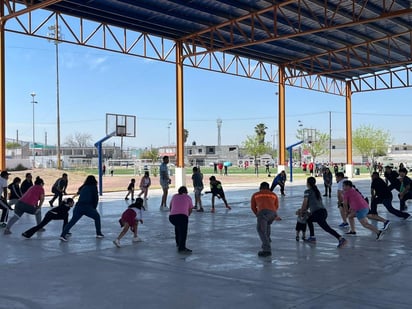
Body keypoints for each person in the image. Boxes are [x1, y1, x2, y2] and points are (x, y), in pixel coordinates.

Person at [300, 177, 347, 248]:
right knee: (309, 219)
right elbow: (310, 204)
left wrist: (301, 211)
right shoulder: (316, 191)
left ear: (308, 183)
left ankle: (341, 238)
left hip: (318, 213)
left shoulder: (307, 191)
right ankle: (312, 237)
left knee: (326, 228)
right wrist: (304, 211)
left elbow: (305, 204)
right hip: (323, 212)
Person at [59, 175, 104, 241]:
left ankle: (63, 235)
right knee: (97, 217)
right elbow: (95, 198)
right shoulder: (93, 187)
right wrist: (94, 207)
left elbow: (78, 192)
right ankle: (99, 233)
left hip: (78, 207)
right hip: (87, 207)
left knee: (72, 221)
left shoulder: (84, 187)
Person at [251, 182, 281, 257]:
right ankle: (267, 240)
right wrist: (273, 213)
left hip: (263, 212)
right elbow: (276, 206)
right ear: (268, 188)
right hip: (273, 213)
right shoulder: (273, 195)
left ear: (260, 187)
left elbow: (253, 207)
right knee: (267, 225)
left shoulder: (256, 194)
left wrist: (257, 214)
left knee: (260, 230)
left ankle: (267, 250)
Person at [169, 186, 193, 253]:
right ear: (186, 192)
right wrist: (187, 215)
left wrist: (173, 213)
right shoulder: (188, 197)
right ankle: (182, 248)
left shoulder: (174, 196)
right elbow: (190, 209)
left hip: (172, 217)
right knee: (183, 232)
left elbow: (170, 207)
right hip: (182, 216)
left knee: (177, 227)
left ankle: (178, 243)